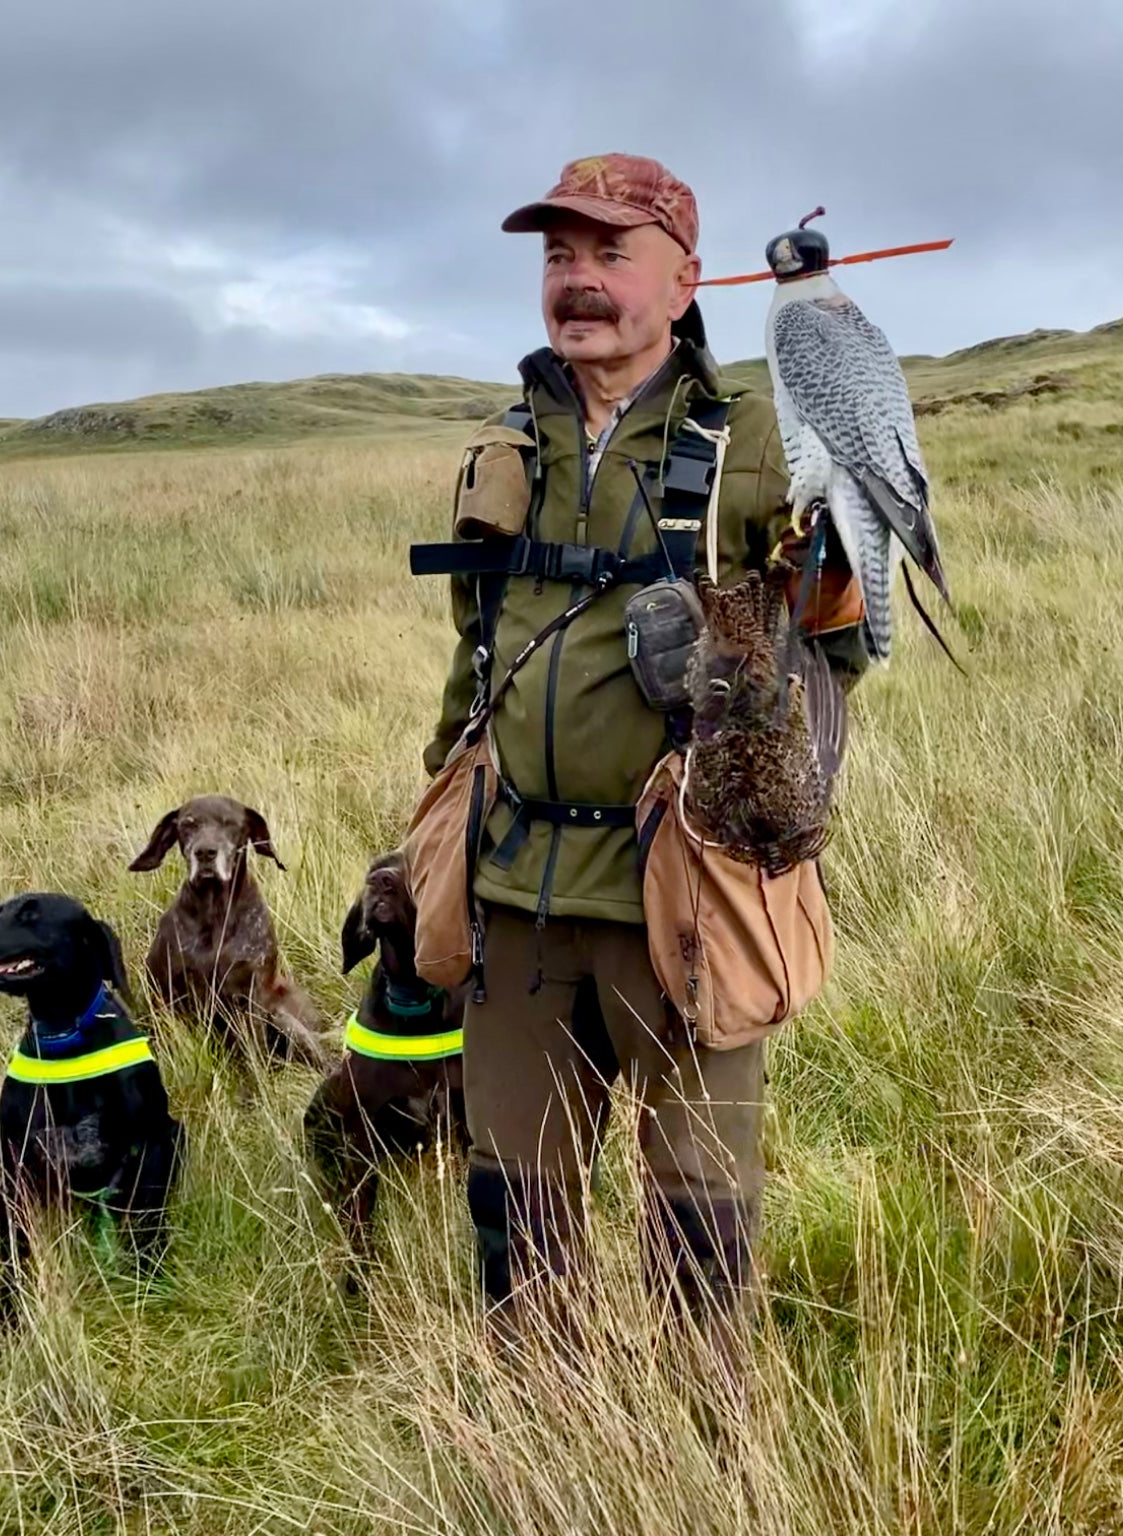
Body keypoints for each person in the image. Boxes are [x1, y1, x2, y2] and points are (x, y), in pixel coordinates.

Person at [416, 153, 868, 1371]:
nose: (577, 281)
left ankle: (704, 1458)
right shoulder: (509, 446)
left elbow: (846, 647)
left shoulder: (757, 445)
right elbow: (476, 659)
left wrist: (752, 670)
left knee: (699, 1232)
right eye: (558, 255)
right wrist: (424, 837)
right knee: (517, 1226)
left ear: (683, 279)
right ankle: (549, 1446)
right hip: (512, 895)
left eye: (609, 253)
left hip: (687, 901)